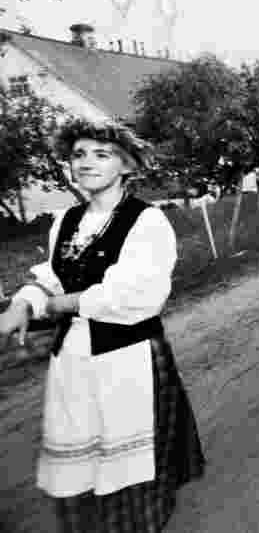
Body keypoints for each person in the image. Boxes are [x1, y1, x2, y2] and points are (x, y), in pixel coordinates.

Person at [0, 118, 205, 533]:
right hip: (72, 362)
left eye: (101, 154)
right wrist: (23, 303)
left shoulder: (146, 222)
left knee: (126, 465)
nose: (87, 163)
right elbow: (52, 274)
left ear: (126, 166)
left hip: (126, 359)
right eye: (78, 155)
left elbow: (128, 296)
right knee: (77, 462)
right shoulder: (66, 220)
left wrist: (53, 304)